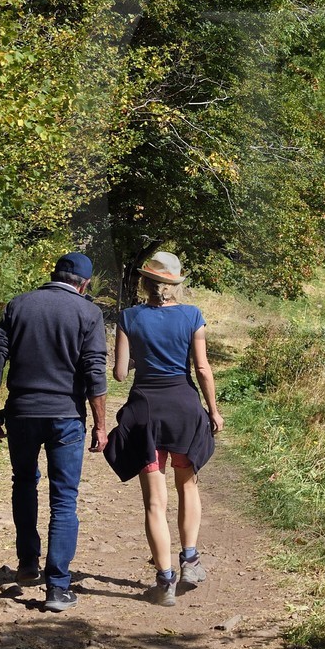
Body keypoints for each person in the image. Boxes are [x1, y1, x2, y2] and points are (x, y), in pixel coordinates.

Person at [0, 251, 108, 613]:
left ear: (53, 274)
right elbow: (94, 373)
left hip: (21, 414)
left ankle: (27, 564)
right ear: (84, 284)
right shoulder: (88, 313)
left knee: (23, 482)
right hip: (66, 418)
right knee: (64, 499)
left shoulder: (18, 305)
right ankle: (57, 587)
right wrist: (100, 425)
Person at [103, 251, 224, 607]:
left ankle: (165, 580)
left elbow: (121, 374)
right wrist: (213, 411)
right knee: (187, 485)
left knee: (154, 503)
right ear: (175, 285)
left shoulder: (128, 317)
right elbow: (202, 369)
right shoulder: (192, 316)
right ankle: (190, 560)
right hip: (184, 409)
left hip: (145, 412)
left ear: (145, 283)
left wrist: (140, 351)